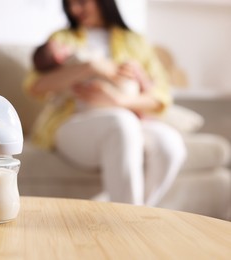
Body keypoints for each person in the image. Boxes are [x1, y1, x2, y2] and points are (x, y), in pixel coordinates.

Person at [23, 0, 187, 206]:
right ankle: (128, 223)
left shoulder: (135, 42)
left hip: (129, 117)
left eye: (81, 2)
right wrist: (90, 67)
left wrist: (119, 100)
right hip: (74, 123)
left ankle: (138, 214)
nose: (74, 10)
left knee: (169, 142)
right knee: (121, 122)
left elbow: (161, 96)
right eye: (69, 4)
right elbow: (36, 86)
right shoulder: (61, 39)